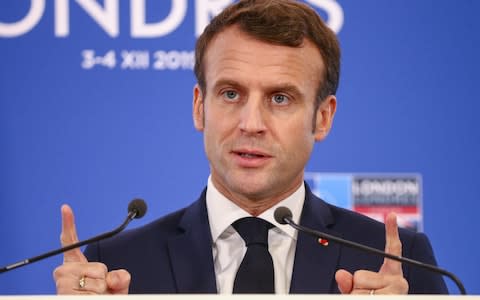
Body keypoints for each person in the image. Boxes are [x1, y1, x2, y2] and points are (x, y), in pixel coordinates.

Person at [53, 0, 448, 295]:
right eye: (230, 93)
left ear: (322, 117)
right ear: (199, 106)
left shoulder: (395, 262)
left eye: (280, 98)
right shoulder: (117, 263)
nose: (251, 124)